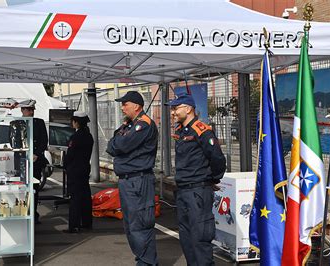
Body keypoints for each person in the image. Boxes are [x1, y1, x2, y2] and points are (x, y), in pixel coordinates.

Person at [166, 94, 226, 266]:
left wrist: (210, 179)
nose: (173, 112)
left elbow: (218, 159)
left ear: (188, 109)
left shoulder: (202, 130)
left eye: (176, 108)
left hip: (198, 192)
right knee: (187, 240)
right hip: (183, 191)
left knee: (200, 239)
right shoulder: (181, 131)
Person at [106, 91, 159, 265]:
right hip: (128, 180)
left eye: (125, 104)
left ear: (136, 106)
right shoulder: (130, 124)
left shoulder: (143, 124)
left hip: (138, 180)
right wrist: (118, 142)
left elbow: (121, 145)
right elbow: (112, 144)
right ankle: (143, 259)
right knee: (130, 225)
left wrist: (118, 144)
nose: (122, 108)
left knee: (140, 224)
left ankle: (147, 262)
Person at [14, 100, 48, 224]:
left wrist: (37, 154)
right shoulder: (16, 123)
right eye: (28, 109)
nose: (31, 112)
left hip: (35, 160)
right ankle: (24, 211)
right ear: (22, 110)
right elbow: (14, 142)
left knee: (34, 188)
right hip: (22, 160)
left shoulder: (39, 123)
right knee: (22, 188)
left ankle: (33, 213)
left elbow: (44, 141)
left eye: (32, 109)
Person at [63, 111, 94, 233]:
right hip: (85, 168)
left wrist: (65, 165)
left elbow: (70, 154)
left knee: (75, 198)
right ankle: (87, 222)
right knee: (85, 196)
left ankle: (74, 225)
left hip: (75, 170)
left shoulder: (75, 137)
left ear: (76, 122)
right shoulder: (88, 136)